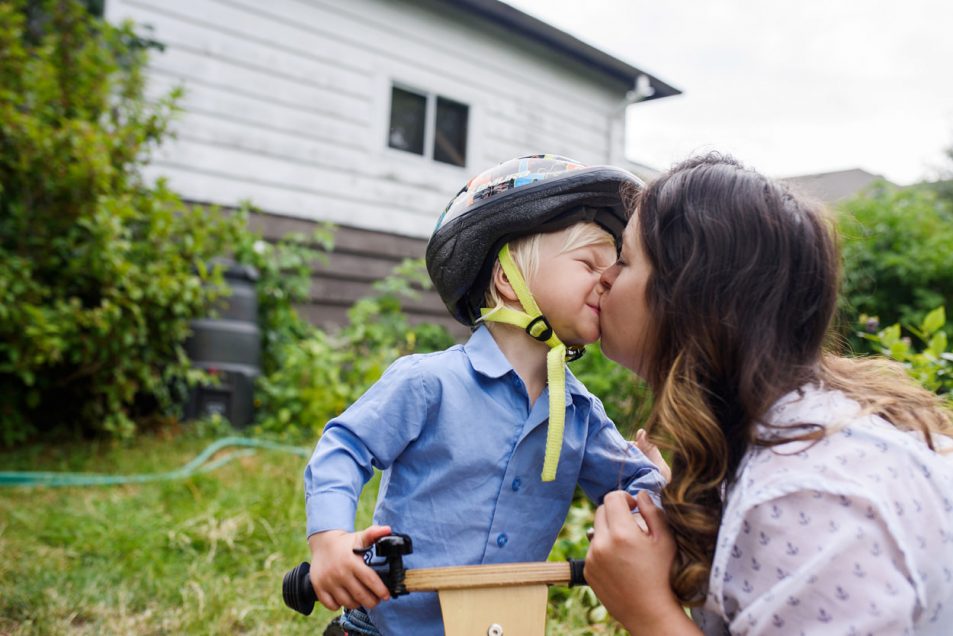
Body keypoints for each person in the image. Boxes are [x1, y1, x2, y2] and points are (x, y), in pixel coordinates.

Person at [584, 153, 953, 635]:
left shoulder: (809, 495)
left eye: (626, 259)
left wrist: (646, 609)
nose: (605, 277)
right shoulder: (805, 442)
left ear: (691, 297)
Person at [303, 155, 666, 636]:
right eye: (587, 263)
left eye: (614, 268)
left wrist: (659, 487)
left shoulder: (581, 416)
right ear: (506, 281)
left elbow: (640, 491)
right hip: (387, 628)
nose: (607, 279)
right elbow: (345, 447)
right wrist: (329, 540)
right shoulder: (428, 383)